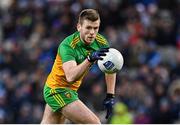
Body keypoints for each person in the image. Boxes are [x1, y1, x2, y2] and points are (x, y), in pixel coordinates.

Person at [41, 8, 116, 124]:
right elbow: (70, 76)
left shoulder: (101, 42)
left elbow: (110, 68)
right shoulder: (68, 46)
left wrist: (110, 95)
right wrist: (90, 59)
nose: (92, 32)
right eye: (88, 28)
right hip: (56, 90)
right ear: (79, 27)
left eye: (95, 28)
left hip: (70, 90)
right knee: (94, 123)